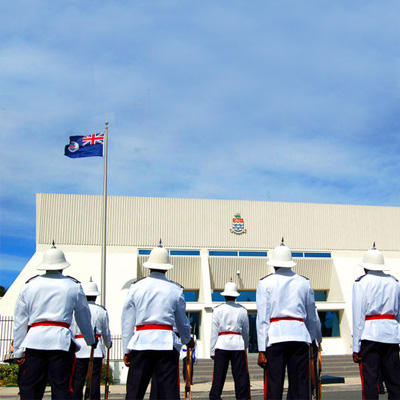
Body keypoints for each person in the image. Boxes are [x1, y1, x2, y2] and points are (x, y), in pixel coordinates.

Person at [13, 243, 95, 400]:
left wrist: (18, 350)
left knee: (30, 388)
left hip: (34, 341)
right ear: (63, 266)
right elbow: (83, 317)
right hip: (60, 342)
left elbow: (20, 320)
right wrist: (90, 340)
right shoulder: (73, 286)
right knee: (62, 388)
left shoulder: (29, 286)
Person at [121, 241, 194, 400]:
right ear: (167, 267)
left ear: (149, 265)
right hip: (166, 344)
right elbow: (182, 322)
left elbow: (127, 321)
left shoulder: (136, 287)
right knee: (168, 393)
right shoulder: (175, 290)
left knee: (135, 392)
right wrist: (188, 340)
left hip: (141, 343)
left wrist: (126, 349)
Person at [256, 239, 317, 400]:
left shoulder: (265, 283)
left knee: (274, 386)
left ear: (273, 264)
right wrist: (312, 339)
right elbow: (312, 316)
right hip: (299, 336)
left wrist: (262, 349)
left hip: (276, 336)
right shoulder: (304, 283)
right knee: (300, 386)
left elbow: (262, 319)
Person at [352, 243, 400, 399]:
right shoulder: (394, 283)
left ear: (365, 267)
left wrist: (356, 346)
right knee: (394, 380)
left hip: (370, 333)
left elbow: (358, 316)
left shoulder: (361, 283)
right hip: (391, 333)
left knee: (370, 380)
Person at [71, 278, 112, 400]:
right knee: (95, 379)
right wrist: (108, 343)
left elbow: (72, 329)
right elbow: (106, 331)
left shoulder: (76, 309)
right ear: (95, 296)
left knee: (78, 379)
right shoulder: (102, 311)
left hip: (79, 348)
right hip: (96, 348)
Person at [209, 280, 250, 400]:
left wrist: (212, 351)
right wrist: (245, 346)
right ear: (236, 296)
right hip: (237, 344)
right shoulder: (242, 310)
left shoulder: (218, 310)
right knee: (240, 377)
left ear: (225, 295)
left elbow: (214, 332)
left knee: (219, 376)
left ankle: (215, 397)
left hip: (222, 343)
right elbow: (246, 332)